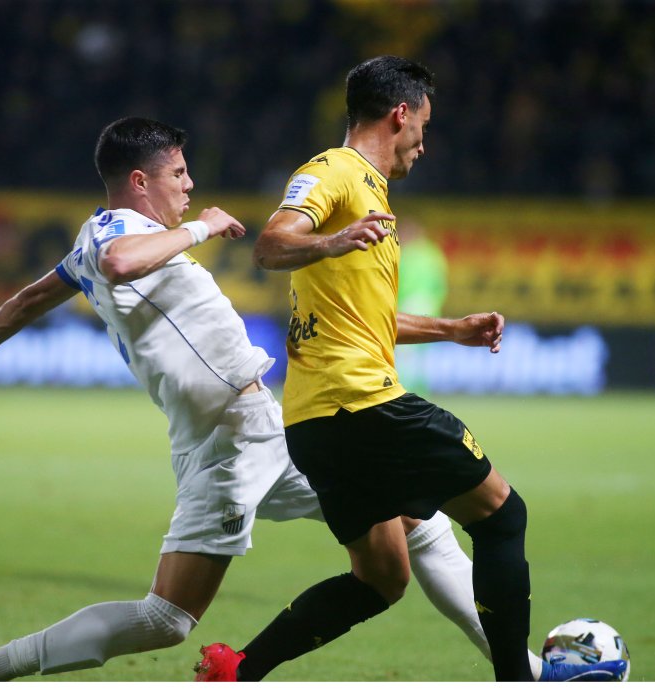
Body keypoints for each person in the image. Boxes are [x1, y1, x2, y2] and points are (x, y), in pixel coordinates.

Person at [0, 116, 508, 682]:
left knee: (417, 520)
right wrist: (200, 228)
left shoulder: (108, 242)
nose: (189, 185)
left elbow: (29, 299)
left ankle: (523, 672)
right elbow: (118, 261)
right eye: (178, 174)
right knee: (167, 618)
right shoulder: (114, 233)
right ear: (140, 181)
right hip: (228, 444)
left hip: (268, 426)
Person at [194, 56, 628, 682]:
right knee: (503, 514)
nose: (424, 143)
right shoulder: (335, 171)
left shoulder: (371, 192)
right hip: (363, 405)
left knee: (381, 579)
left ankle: (237, 671)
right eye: (424, 125)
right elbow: (270, 244)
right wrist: (332, 240)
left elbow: (366, 319)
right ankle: (519, 682)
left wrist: (451, 330)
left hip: (317, 423)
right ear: (401, 114)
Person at [394, 218, 449, 394]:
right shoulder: (433, 253)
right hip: (429, 307)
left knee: (405, 354)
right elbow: (440, 284)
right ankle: (421, 392)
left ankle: (405, 393)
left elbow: (398, 283)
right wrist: (436, 304)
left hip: (410, 306)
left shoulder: (405, 254)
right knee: (420, 355)